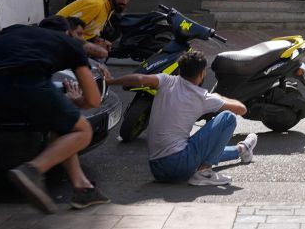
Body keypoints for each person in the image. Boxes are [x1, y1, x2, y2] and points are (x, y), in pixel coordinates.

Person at [0, 16, 110, 213]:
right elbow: (93, 101)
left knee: (62, 126)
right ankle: (32, 170)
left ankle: (83, 188)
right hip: (27, 82)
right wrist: (76, 100)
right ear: (68, 33)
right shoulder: (70, 45)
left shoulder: (16, 30)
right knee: (83, 130)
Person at [107, 50, 257, 186]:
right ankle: (204, 173)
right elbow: (241, 109)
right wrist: (219, 97)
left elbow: (139, 79)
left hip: (157, 169)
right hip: (178, 164)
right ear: (202, 73)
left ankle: (242, 149)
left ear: (180, 70)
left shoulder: (165, 81)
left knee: (201, 149)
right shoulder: (203, 97)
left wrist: (110, 81)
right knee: (228, 117)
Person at [56, 0, 133, 57]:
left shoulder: (109, 7)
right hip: (58, 44)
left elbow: (86, 30)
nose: (125, 2)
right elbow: (68, 30)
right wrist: (91, 47)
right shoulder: (96, 4)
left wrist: (97, 40)